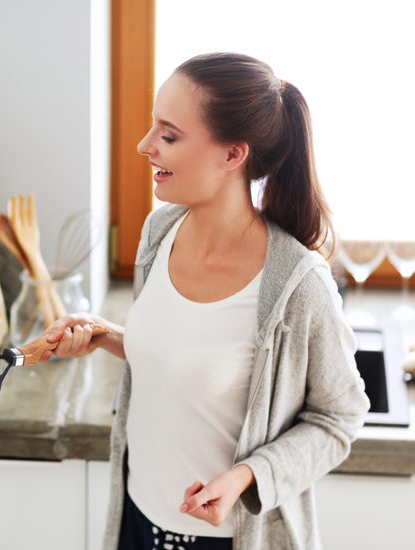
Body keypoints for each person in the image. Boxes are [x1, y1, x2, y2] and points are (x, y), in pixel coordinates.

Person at [38, 53, 371, 550]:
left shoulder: (297, 284)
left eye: (169, 136)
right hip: (135, 515)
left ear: (233, 155)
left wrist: (247, 476)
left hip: (223, 538)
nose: (144, 146)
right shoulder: (159, 233)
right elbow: (187, 361)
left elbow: (339, 418)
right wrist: (106, 336)